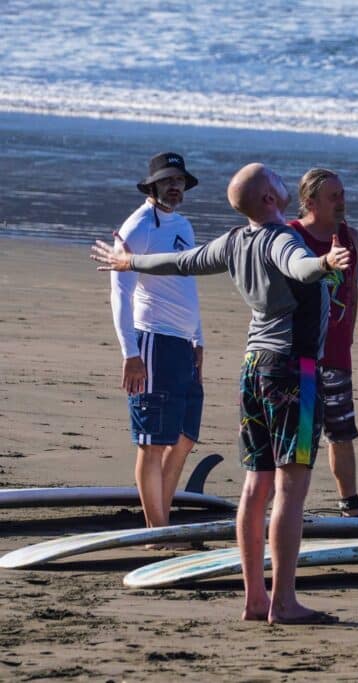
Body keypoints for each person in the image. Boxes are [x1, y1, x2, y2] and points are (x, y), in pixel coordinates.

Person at [92, 163, 351, 626]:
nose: (282, 182)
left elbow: (180, 262)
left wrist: (130, 262)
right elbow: (299, 266)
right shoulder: (279, 238)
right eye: (276, 180)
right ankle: (284, 601)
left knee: (256, 484)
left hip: (253, 369)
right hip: (297, 370)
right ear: (270, 199)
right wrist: (324, 264)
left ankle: (255, 598)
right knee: (291, 488)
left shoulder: (234, 241)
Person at [109, 152, 204, 534]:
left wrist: (198, 339)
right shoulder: (136, 228)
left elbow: (189, 284)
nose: (175, 186)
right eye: (167, 181)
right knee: (151, 442)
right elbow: (120, 291)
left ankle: (161, 521)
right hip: (152, 341)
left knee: (183, 438)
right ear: (152, 185)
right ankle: (157, 532)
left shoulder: (183, 224)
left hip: (183, 344)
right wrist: (130, 353)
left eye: (179, 180)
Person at [289, 168, 358, 517]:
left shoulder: (349, 237)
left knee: (342, 432)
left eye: (342, 195)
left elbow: (350, 295)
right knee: (303, 433)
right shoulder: (291, 236)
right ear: (310, 202)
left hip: (337, 355)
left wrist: (346, 340)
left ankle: (349, 504)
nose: (341, 202)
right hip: (302, 356)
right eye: (333, 196)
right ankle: (290, 504)